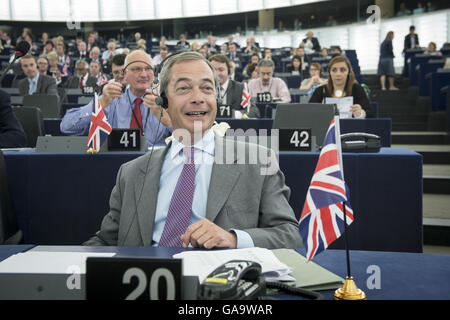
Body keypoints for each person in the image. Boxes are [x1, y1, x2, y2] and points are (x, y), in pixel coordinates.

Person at [83, 51, 302, 249]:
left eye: (207, 88)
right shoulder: (130, 173)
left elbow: (289, 236)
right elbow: (105, 241)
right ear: (164, 100)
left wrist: (234, 239)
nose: (198, 98)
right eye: (184, 88)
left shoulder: (257, 160)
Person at [60, 50, 172, 147]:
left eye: (148, 68)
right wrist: (101, 103)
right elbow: (67, 127)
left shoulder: (165, 100)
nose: (144, 74)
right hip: (118, 163)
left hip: (155, 164)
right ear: (125, 74)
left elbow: (187, 139)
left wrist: (165, 118)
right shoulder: (111, 99)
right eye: (137, 69)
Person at [208, 54, 259, 118]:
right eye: (213, 70)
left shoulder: (241, 88)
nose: (217, 74)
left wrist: (236, 114)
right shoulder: (202, 89)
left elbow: (254, 112)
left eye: (221, 70)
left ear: (228, 72)